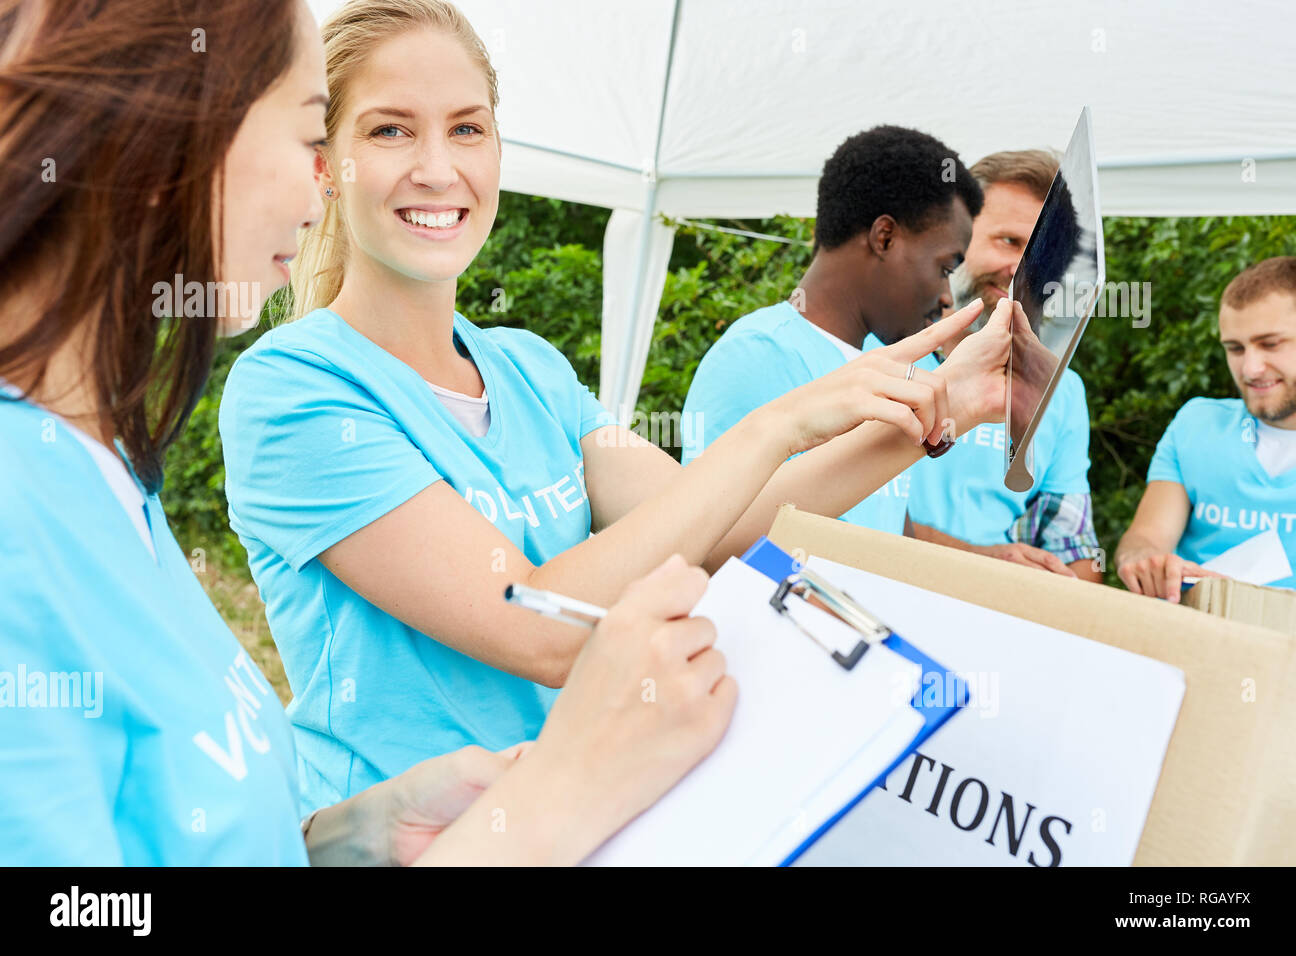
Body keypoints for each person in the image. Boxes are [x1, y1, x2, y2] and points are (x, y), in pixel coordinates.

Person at [217, 0, 1015, 812]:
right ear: (326, 165)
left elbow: (726, 527)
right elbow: (540, 627)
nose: (437, 167)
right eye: (390, 130)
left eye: (467, 129)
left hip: (571, 826)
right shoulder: (294, 390)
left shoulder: (528, 367)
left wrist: (940, 407)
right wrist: (779, 424)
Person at [0, 0, 736, 867]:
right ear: (169, 132)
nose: (323, 189)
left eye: (470, 130)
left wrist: (344, 840)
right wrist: (568, 791)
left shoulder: (108, 474)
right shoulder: (22, 511)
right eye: (313, 135)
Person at [681, 125, 981, 536]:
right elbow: (704, 539)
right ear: (885, 237)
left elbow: (887, 531)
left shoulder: (891, 366)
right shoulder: (755, 356)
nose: (947, 295)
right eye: (945, 268)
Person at [906, 150, 1102, 581]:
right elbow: (826, 510)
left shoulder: (1063, 389)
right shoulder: (883, 348)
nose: (1022, 273)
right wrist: (981, 561)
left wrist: (1068, 590)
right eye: (1010, 241)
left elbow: (1073, 547)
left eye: (1044, 257)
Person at [1117, 257, 1296, 601]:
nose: (1250, 368)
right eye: (1235, 348)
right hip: (1187, 637)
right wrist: (1146, 564)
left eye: (1271, 344)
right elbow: (1146, 538)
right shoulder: (1196, 424)